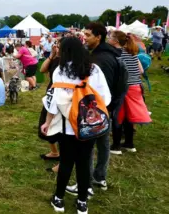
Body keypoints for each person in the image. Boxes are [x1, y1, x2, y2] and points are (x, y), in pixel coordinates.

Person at [40, 37, 111, 214]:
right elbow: (106, 98)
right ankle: (82, 202)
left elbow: (53, 103)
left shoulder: (60, 71)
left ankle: (59, 199)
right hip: (89, 125)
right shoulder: (94, 70)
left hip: (68, 127)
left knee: (66, 162)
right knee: (84, 163)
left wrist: (47, 122)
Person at [80, 22, 123, 192]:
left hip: (98, 109)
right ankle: (99, 177)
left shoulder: (100, 59)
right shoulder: (109, 54)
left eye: (88, 35)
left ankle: (87, 182)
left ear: (98, 37)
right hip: (108, 107)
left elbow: (101, 88)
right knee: (104, 144)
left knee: (89, 146)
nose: (85, 37)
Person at [108, 31, 151, 154]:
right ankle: (129, 144)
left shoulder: (117, 55)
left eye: (110, 37)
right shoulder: (132, 54)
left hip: (124, 88)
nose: (108, 39)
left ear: (116, 40)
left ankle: (116, 146)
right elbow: (141, 71)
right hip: (136, 87)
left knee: (118, 115)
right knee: (129, 116)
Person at [38, 40, 61, 173]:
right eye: (56, 46)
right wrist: (51, 55)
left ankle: (62, 161)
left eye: (59, 46)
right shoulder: (55, 59)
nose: (56, 48)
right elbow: (42, 70)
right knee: (45, 124)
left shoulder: (68, 62)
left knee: (60, 129)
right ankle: (54, 152)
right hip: (51, 95)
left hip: (61, 98)